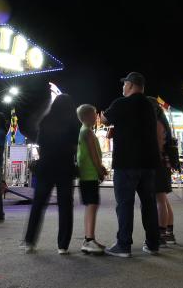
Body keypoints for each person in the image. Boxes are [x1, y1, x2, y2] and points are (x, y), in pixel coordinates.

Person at [100, 72, 161, 258]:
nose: (122, 87)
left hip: (127, 162)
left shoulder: (121, 103)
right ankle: (153, 244)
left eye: (124, 84)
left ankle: (123, 244)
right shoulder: (150, 106)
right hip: (149, 162)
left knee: (125, 204)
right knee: (149, 204)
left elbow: (104, 119)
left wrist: (109, 120)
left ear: (131, 85)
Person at [22, 94, 79, 254]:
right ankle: (63, 245)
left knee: (38, 205)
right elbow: (75, 147)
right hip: (65, 167)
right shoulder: (74, 123)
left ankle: (30, 241)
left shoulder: (46, 121)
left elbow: (40, 145)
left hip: (46, 166)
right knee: (65, 207)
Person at [76, 104, 106, 255]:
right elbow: (94, 155)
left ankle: (89, 239)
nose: (97, 116)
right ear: (88, 116)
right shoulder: (87, 132)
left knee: (91, 206)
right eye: (95, 114)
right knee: (92, 207)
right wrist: (100, 169)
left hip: (87, 175)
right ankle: (89, 240)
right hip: (89, 175)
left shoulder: (84, 131)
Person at [148, 96, 178, 246]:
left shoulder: (156, 124)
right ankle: (169, 233)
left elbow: (157, 146)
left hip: (158, 164)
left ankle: (160, 234)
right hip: (163, 164)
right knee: (163, 200)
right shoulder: (162, 122)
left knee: (160, 200)